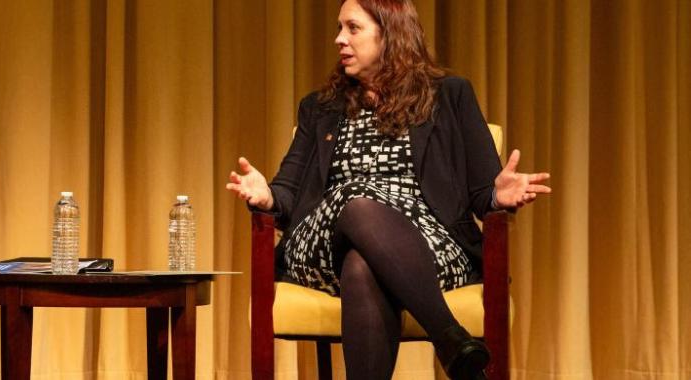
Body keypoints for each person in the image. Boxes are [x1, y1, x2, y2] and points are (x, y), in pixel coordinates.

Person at [225, 0, 550, 378]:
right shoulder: (320, 107)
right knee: (357, 201)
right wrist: (266, 196)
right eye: (339, 28)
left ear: (390, 33)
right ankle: (449, 337)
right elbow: (288, 192)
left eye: (352, 28)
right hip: (323, 246)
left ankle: (450, 341)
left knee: (362, 265)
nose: (339, 39)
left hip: (426, 246)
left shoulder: (451, 95)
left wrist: (498, 195)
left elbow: (482, 193)